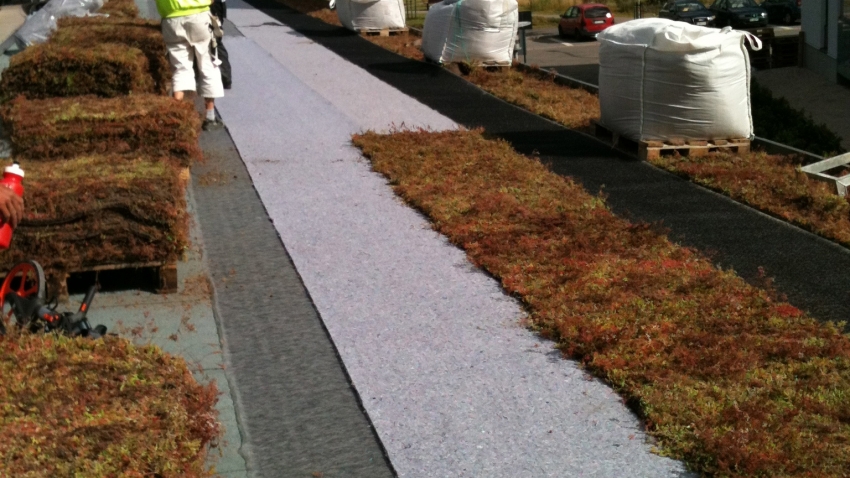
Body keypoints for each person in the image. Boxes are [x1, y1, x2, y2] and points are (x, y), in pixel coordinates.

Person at [154, 0, 225, 130]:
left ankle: (176, 115)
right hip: (199, 16)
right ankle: (210, 117)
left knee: (180, 69)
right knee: (207, 64)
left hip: (171, 19)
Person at [209, 0, 231, 89]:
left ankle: (225, 77)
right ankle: (225, 77)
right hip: (216, 5)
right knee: (215, 40)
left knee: (215, 40)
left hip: (213, 5)